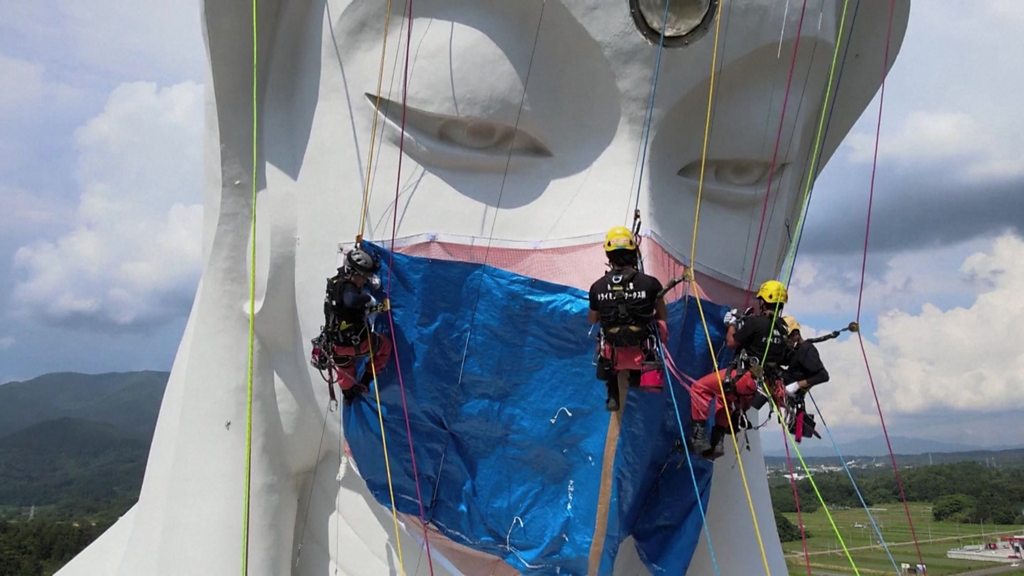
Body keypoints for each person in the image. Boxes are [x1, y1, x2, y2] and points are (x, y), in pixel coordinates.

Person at [688, 279, 789, 456]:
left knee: (699, 388)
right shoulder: (783, 329)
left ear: (763, 302)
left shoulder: (756, 323)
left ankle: (699, 438)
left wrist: (733, 323)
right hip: (763, 385)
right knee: (724, 400)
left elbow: (731, 342)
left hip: (745, 378)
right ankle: (717, 443)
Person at [588, 226, 668, 412]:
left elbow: (592, 320)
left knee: (604, 337)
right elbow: (662, 315)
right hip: (642, 348)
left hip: (612, 351)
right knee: (656, 327)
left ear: (609, 256)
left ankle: (612, 392)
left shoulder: (597, 287)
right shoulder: (650, 283)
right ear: (633, 251)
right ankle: (637, 375)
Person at [312, 247, 392, 405]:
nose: (364, 282)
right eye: (364, 277)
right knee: (384, 347)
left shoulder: (335, 284)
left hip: (335, 346)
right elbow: (351, 301)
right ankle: (366, 380)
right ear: (354, 273)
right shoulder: (349, 288)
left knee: (344, 370)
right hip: (357, 344)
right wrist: (367, 298)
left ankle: (348, 395)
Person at [779, 315, 829, 441]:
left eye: (787, 337)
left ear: (795, 334)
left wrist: (798, 385)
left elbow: (823, 376)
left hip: (794, 390)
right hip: (788, 386)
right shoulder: (795, 350)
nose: (785, 341)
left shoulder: (807, 350)